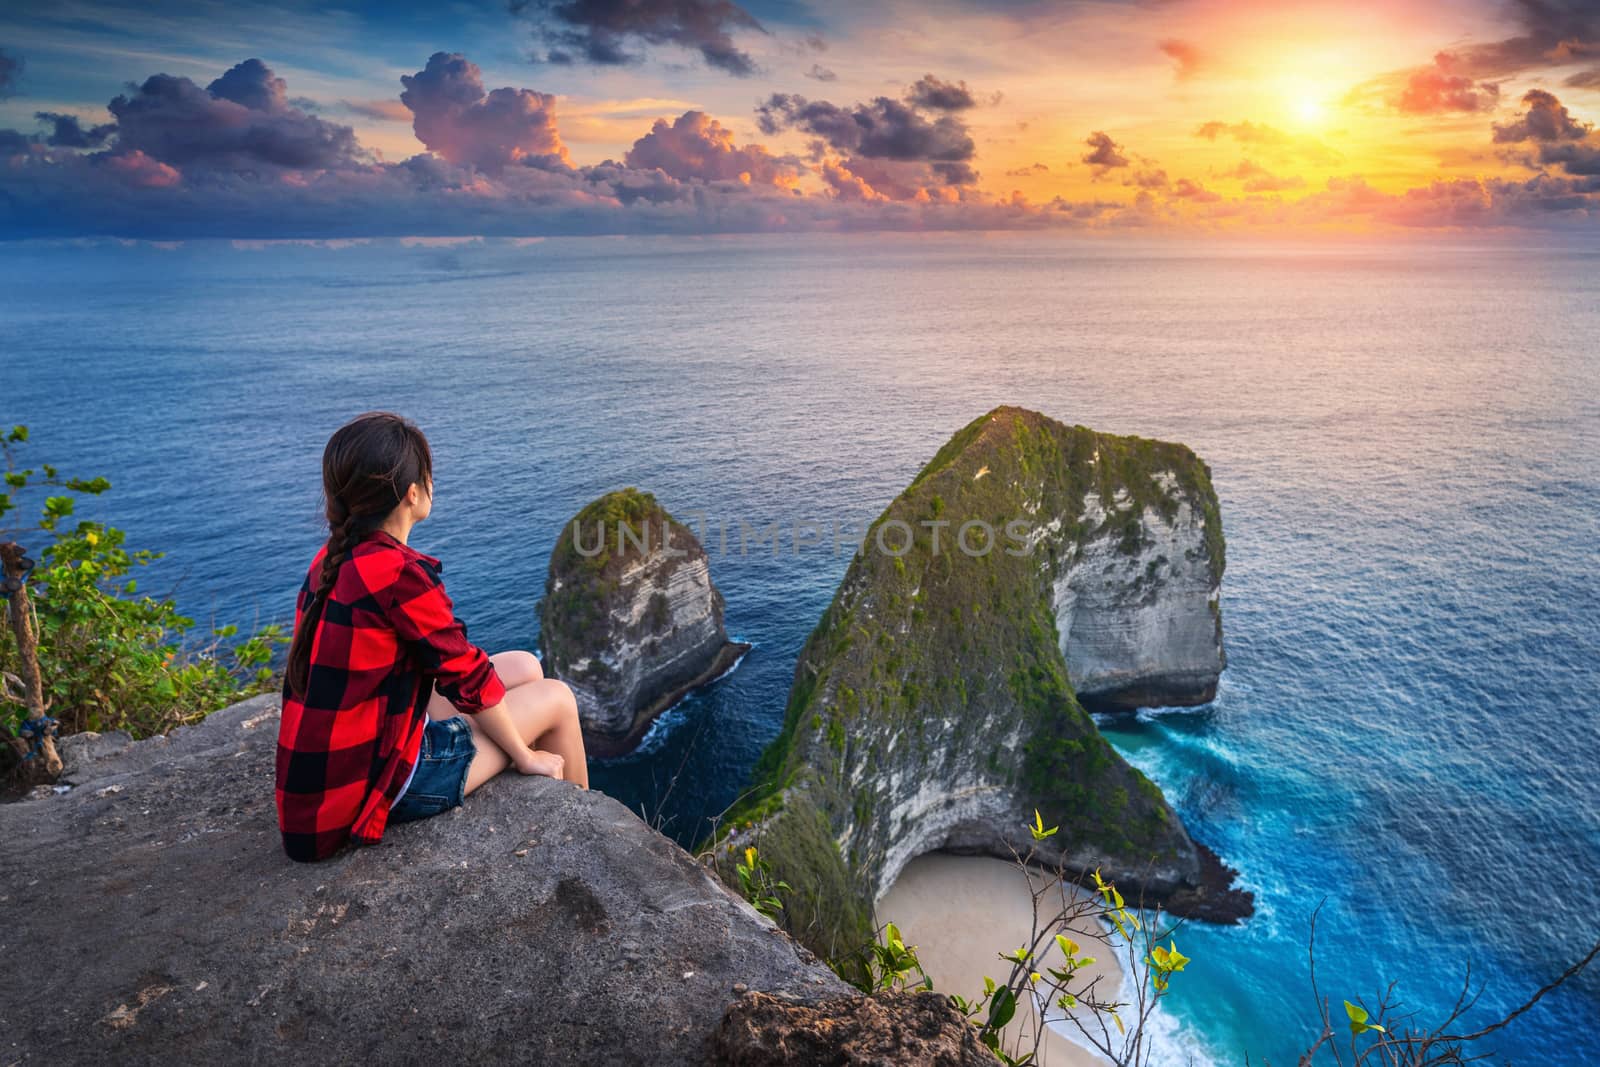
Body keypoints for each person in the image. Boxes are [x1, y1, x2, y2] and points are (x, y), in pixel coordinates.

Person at [275, 411, 587, 862]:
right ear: (413, 493)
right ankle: (583, 846)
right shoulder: (400, 574)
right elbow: (468, 679)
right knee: (556, 697)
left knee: (524, 665)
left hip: (332, 775)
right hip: (376, 786)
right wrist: (524, 756)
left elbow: (450, 670)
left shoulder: (332, 558)